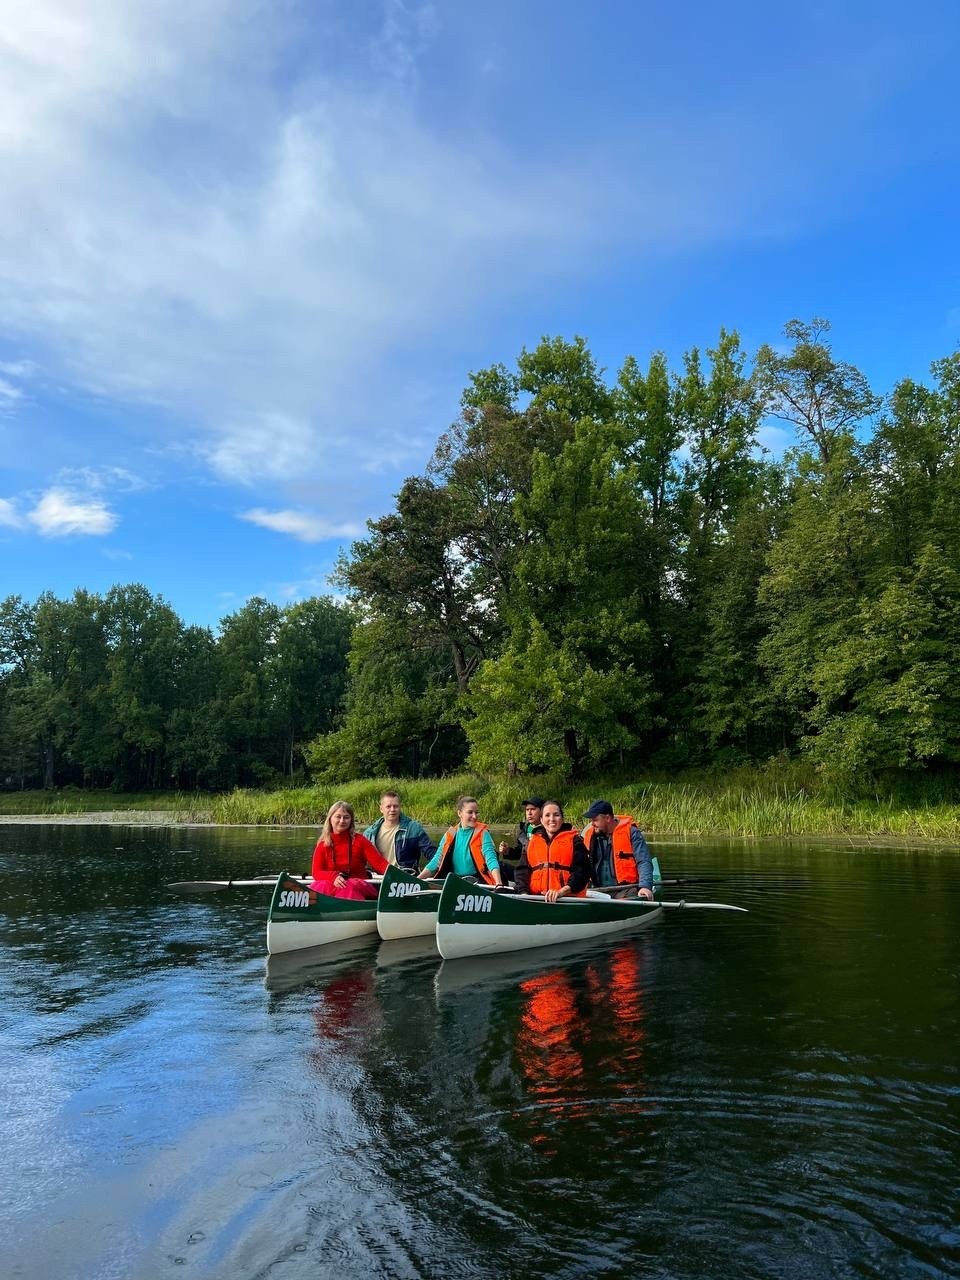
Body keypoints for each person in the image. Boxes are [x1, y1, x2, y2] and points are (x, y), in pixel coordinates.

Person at [514, 799, 591, 903]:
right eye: (547, 815)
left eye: (556, 815)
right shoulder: (532, 842)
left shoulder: (574, 840)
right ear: (541, 819)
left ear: (562, 819)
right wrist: (524, 894)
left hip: (566, 898)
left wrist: (561, 892)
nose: (552, 819)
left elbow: (582, 871)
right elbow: (521, 871)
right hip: (535, 898)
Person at [311, 799, 388, 900]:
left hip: (357, 886)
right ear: (330, 819)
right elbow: (316, 872)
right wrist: (333, 877)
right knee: (322, 886)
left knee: (347, 887)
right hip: (332, 885)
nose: (342, 821)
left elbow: (380, 864)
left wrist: (399, 876)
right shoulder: (323, 844)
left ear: (351, 820)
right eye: (338, 817)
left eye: (346, 817)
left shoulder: (360, 841)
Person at [419, 795, 503, 886]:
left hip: (478, 881)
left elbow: (491, 859)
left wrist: (498, 884)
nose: (474, 816)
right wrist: (417, 879)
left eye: (476, 812)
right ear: (460, 813)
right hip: (455, 880)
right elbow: (436, 861)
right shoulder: (449, 834)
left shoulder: (483, 833)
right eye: (470, 812)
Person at [581, 800, 655, 899]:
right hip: (597, 890)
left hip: (626, 889)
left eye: (595, 820)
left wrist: (645, 886)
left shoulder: (632, 833)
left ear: (607, 818)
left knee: (631, 895)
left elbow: (644, 861)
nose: (592, 824)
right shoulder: (590, 835)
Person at [363, 790, 435, 873]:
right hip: (378, 877)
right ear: (381, 809)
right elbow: (360, 860)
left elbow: (431, 852)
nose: (392, 809)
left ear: (400, 807)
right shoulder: (369, 833)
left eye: (395, 806)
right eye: (388, 806)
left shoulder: (414, 828)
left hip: (405, 877)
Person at [497, 796, 544, 861]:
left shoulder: (548, 830)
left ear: (542, 811)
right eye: (527, 810)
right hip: (526, 866)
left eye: (533, 809)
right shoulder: (523, 829)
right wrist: (508, 851)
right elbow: (520, 853)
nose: (529, 813)